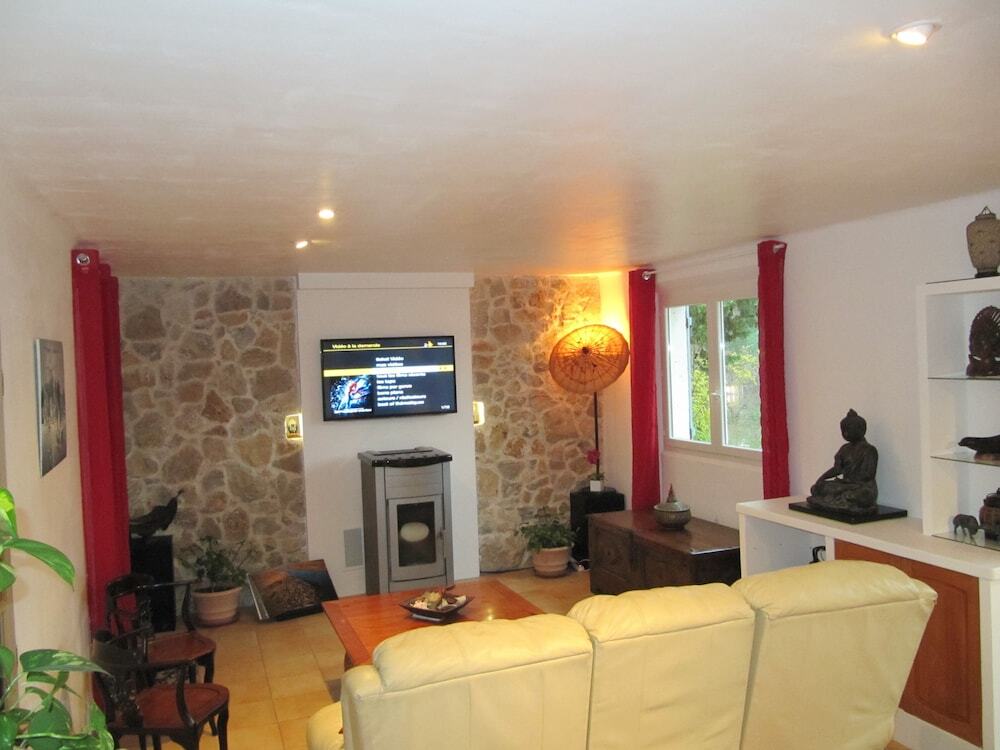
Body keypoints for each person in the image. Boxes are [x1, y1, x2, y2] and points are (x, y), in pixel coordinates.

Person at [807, 409, 878, 516]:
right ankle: (839, 499)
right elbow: (837, 469)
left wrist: (848, 482)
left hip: (861, 487)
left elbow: (868, 475)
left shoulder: (869, 450)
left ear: (862, 429)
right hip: (846, 485)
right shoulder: (844, 449)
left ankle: (840, 499)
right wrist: (822, 478)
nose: (845, 433)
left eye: (849, 430)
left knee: (857, 495)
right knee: (818, 488)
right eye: (843, 430)